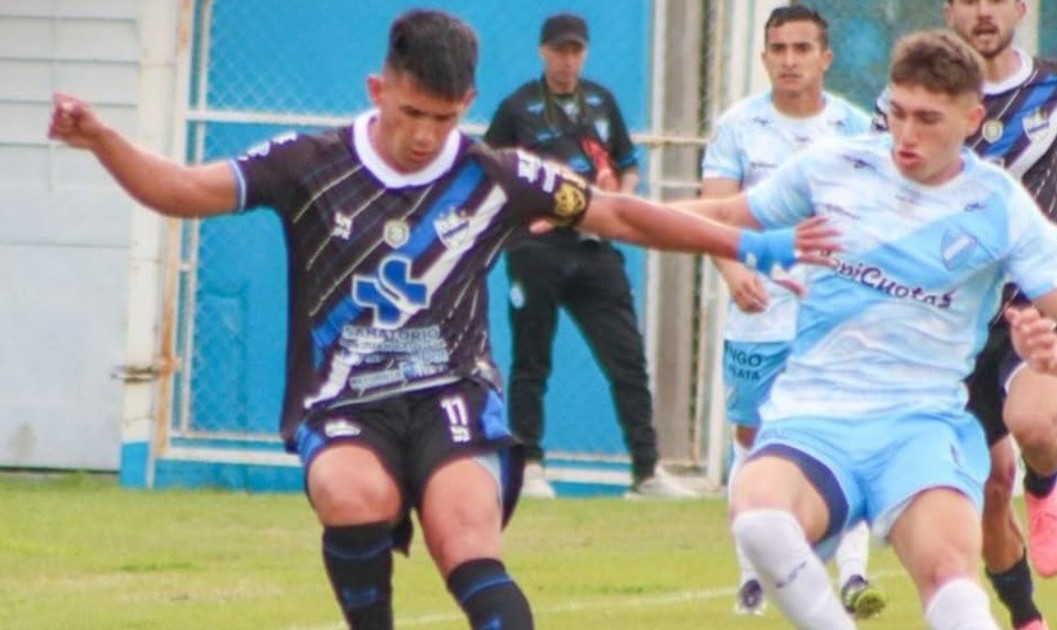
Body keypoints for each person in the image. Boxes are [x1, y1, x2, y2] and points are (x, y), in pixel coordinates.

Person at [46, 9, 838, 630]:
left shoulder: (496, 174)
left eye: (445, 117)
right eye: (412, 112)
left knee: (465, 536)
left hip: (452, 394)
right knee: (352, 492)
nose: (426, 135)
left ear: (468, 106)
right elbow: (183, 190)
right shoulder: (309, 163)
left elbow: (621, 214)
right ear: (377, 90)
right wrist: (102, 140)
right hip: (346, 398)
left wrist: (752, 244)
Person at [676, 29, 1057, 629]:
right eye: (898, 113)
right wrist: (599, 211)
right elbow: (724, 216)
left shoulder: (1008, 188)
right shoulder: (839, 165)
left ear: (970, 118)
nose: (907, 134)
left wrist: (1056, 352)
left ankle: (1041, 507)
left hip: (959, 382)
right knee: (761, 520)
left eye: (927, 119)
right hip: (833, 406)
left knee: (969, 547)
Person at [937, 2, 1057, 628]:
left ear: (1020, 6)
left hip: (1037, 306)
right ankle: (1025, 617)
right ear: (949, 10)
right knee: (991, 484)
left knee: (1035, 425)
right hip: (956, 322)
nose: (983, 11)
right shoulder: (924, 99)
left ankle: (1044, 490)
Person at [699, 3, 883, 619]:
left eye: (802, 49)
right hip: (759, 317)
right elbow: (714, 212)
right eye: (778, 49)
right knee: (752, 438)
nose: (789, 60)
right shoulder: (738, 126)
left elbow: (875, 217)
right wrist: (733, 272)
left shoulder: (854, 128)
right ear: (764, 57)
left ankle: (854, 574)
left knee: (843, 435)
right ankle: (752, 577)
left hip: (833, 317)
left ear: (825, 58)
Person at [484, 13, 693, 499]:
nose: (567, 60)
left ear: (586, 53)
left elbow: (628, 166)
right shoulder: (518, 107)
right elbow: (490, 171)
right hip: (537, 249)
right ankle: (529, 464)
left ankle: (647, 471)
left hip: (594, 246)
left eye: (575, 50)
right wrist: (521, 216)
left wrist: (619, 202)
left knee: (627, 359)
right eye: (559, 50)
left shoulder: (600, 101)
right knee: (532, 360)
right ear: (543, 52)